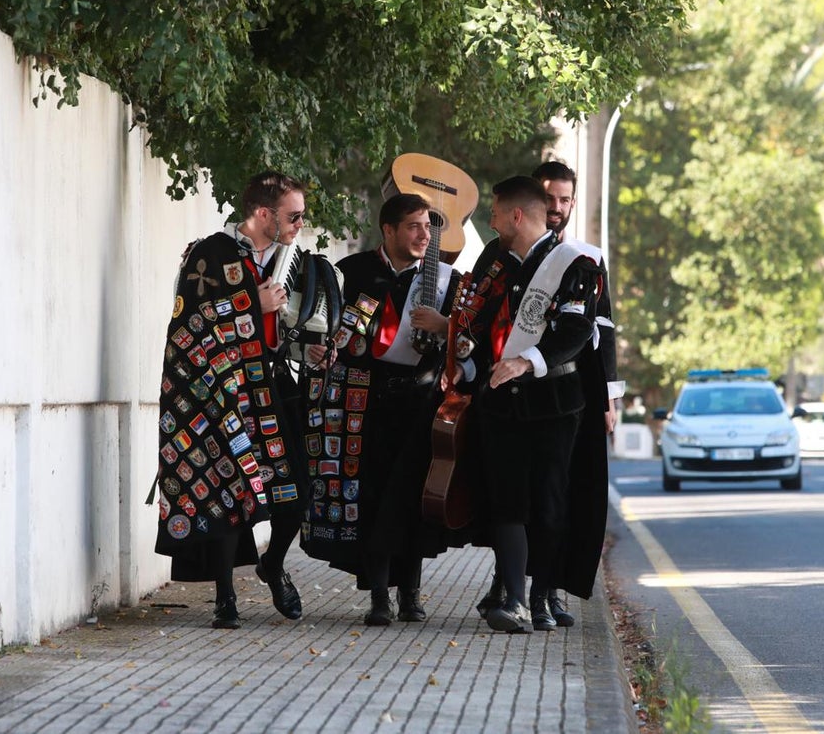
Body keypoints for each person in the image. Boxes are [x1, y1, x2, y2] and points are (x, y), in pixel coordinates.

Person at [150, 170, 311, 629]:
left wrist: (308, 344)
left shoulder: (288, 257)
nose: (300, 224)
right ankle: (225, 598)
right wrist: (248, 304)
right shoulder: (210, 254)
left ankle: (274, 564)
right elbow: (186, 330)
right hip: (223, 393)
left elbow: (290, 324)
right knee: (226, 492)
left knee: (295, 491)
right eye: (293, 216)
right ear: (264, 214)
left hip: (275, 385)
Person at [474, 161, 624, 630]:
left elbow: (583, 330)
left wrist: (607, 396)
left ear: (516, 215)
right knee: (506, 500)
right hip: (500, 400)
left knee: (550, 502)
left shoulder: (577, 262)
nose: (492, 222)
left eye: (496, 213)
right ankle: (514, 598)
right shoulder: (494, 261)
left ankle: (543, 596)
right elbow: (476, 322)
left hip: (557, 400)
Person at [300, 193, 456, 626]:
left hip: (421, 402)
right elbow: (326, 330)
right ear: (388, 230)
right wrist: (319, 352)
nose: (424, 234)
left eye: (428, 226)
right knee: (370, 495)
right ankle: (378, 598)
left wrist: (445, 328)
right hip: (363, 401)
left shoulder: (445, 280)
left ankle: (411, 593)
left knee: (411, 497)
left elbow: (466, 339)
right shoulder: (353, 273)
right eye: (414, 226)